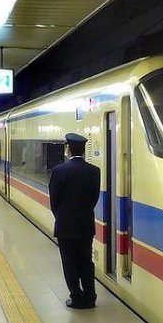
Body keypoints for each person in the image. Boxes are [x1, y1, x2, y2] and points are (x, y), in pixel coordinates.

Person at [48, 132, 101, 309]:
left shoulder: (59, 171)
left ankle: (76, 297)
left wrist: (62, 217)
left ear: (68, 149)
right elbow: (94, 198)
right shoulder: (94, 172)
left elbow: (54, 201)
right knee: (86, 260)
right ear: (84, 150)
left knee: (69, 261)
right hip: (86, 225)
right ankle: (90, 297)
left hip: (65, 226)